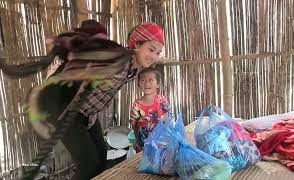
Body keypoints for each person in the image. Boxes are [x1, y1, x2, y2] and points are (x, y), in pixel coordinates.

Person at [0, 20, 165, 180]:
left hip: (88, 112)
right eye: (151, 50)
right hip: (66, 110)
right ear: (136, 44)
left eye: (157, 53)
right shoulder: (116, 59)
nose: (154, 57)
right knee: (88, 164)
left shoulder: (134, 68)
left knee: (100, 159)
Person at [129, 67, 170, 152]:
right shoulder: (137, 105)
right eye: (143, 80)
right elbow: (134, 125)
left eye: (151, 80)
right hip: (144, 147)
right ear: (138, 84)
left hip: (161, 145)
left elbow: (168, 120)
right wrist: (138, 143)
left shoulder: (162, 100)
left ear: (158, 84)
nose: (147, 83)